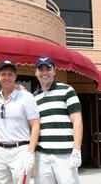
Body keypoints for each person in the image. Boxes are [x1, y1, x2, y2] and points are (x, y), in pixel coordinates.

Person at [0, 60, 40, 184]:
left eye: (10, 74)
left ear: (15, 76)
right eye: (3, 74)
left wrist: (30, 153)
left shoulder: (26, 97)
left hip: (20, 150)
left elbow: (36, 125)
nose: (7, 77)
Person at [33, 56, 83, 184]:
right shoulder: (33, 97)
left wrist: (76, 150)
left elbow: (77, 121)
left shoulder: (67, 90)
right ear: (36, 73)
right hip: (42, 156)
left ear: (54, 71)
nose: (44, 73)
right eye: (41, 69)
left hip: (65, 156)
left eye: (48, 69)